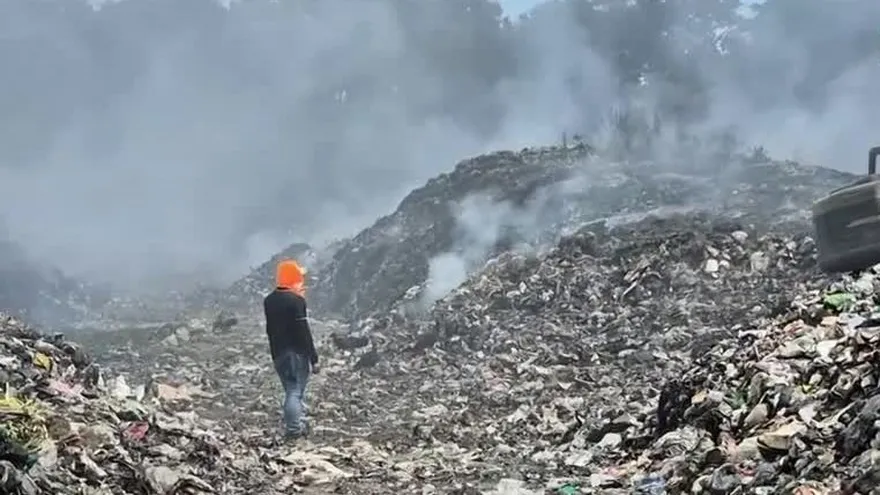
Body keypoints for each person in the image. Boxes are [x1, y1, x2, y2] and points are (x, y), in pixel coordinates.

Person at [263, 259, 319, 439]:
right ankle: (294, 430)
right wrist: (313, 357)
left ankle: (296, 424)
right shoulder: (296, 301)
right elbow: (303, 330)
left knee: (289, 390)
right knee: (295, 391)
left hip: (278, 353)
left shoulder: (269, 301)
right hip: (296, 353)